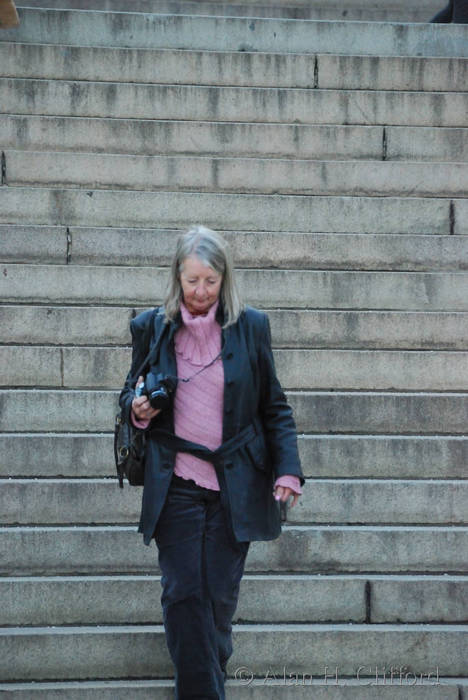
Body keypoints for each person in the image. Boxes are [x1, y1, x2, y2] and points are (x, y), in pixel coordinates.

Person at [119, 225, 304, 699]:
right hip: (175, 481)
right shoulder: (151, 328)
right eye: (191, 281)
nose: (200, 292)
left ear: (226, 280)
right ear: (176, 279)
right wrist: (137, 410)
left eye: (210, 282)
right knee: (183, 595)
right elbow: (129, 393)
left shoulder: (251, 328)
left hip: (235, 484)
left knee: (216, 603)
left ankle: (203, 677)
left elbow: (274, 407)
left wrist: (287, 469)